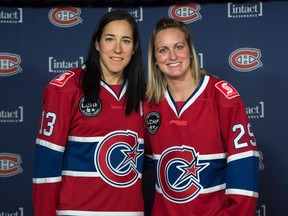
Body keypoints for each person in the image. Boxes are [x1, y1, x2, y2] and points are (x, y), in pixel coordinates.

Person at [32, 10, 146, 216]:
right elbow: (46, 166)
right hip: (77, 211)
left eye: (126, 41)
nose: (118, 49)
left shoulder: (144, 94)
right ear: (97, 43)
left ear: (134, 48)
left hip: (129, 212)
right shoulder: (66, 88)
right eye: (110, 39)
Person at [143, 18, 260, 216]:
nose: (172, 56)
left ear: (190, 50)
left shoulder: (220, 96)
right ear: (154, 58)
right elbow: (133, 160)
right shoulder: (148, 103)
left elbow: (244, 166)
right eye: (163, 50)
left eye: (179, 47)